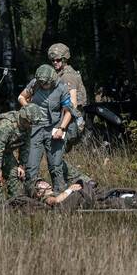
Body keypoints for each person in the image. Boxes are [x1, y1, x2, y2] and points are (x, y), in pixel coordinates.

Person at [18, 64, 74, 194]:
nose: (43, 85)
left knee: (55, 165)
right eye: (41, 83)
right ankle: (31, 195)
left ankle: (60, 194)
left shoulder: (61, 87)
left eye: (46, 83)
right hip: (35, 128)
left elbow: (68, 111)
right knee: (31, 166)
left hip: (54, 128)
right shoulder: (35, 83)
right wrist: (29, 108)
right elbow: (21, 97)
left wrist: (61, 128)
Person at [0, 104, 44, 207]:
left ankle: (15, 203)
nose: (31, 125)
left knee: (14, 173)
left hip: (5, 149)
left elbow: (25, 146)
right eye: (30, 122)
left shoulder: (27, 127)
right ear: (24, 118)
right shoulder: (7, 125)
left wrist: (21, 165)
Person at [47, 42, 89, 185]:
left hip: (69, 123)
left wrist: (62, 127)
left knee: (54, 158)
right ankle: (75, 184)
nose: (55, 63)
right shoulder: (61, 75)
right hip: (66, 121)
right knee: (54, 157)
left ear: (65, 59)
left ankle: (80, 182)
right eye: (53, 60)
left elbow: (72, 106)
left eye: (58, 60)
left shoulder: (67, 77)